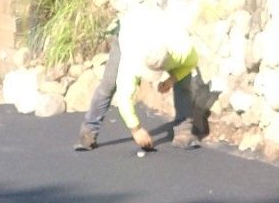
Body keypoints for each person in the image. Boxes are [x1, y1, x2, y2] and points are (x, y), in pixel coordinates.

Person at [76, 11, 214, 152]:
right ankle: (88, 133)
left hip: (160, 30)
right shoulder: (130, 56)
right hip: (128, 32)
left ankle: (184, 132)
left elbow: (191, 63)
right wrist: (136, 129)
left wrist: (173, 79)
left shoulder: (181, 49)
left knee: (184, 84)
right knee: (109, 84)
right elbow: (124, 97)